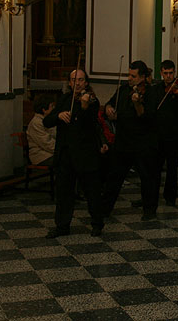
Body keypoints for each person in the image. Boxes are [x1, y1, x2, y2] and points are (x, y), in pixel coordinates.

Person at [43, 70, 106, 238]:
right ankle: (62, 226)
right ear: (69, 83)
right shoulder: (64, 99)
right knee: (64, 192)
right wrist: (58, 115)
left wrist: (84, 107)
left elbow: (91, 125)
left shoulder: (92, 101)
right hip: (66, 154)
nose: (77, 83)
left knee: (92, 191)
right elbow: (46, 122)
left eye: (80, 80)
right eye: (73, 80)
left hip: (86, 154)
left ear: (86, 82)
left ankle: (97, 224)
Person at [102, 60, 160, 221]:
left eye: (133, 76)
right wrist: (108, 109)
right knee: (114, 177)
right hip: (123, 142)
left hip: (142, 143)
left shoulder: (150, 93)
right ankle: (105, 209)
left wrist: (137, 104)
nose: (129, 78)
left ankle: (149, 210)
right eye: (129, 75)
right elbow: (110, 103)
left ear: (142, 77)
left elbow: (147, 117)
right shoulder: (123, 89)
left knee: (147, 178)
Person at [154, 60, 178, 206]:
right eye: (165, 73)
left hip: (174, 135)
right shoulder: (156, 89)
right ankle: (152, 195)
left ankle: (170, 196)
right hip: (159, 134)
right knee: (155, 168)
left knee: (172, 168)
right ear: (161, 73)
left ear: (175, 73)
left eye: (171, 73)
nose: (168, 76)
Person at [27, 95, 57, 166]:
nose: (54, 108)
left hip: (50, 152)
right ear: (44, 110)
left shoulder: (48, 119)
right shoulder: (36, 123)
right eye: (52, 106)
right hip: (41, 156)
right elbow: (46, 143)